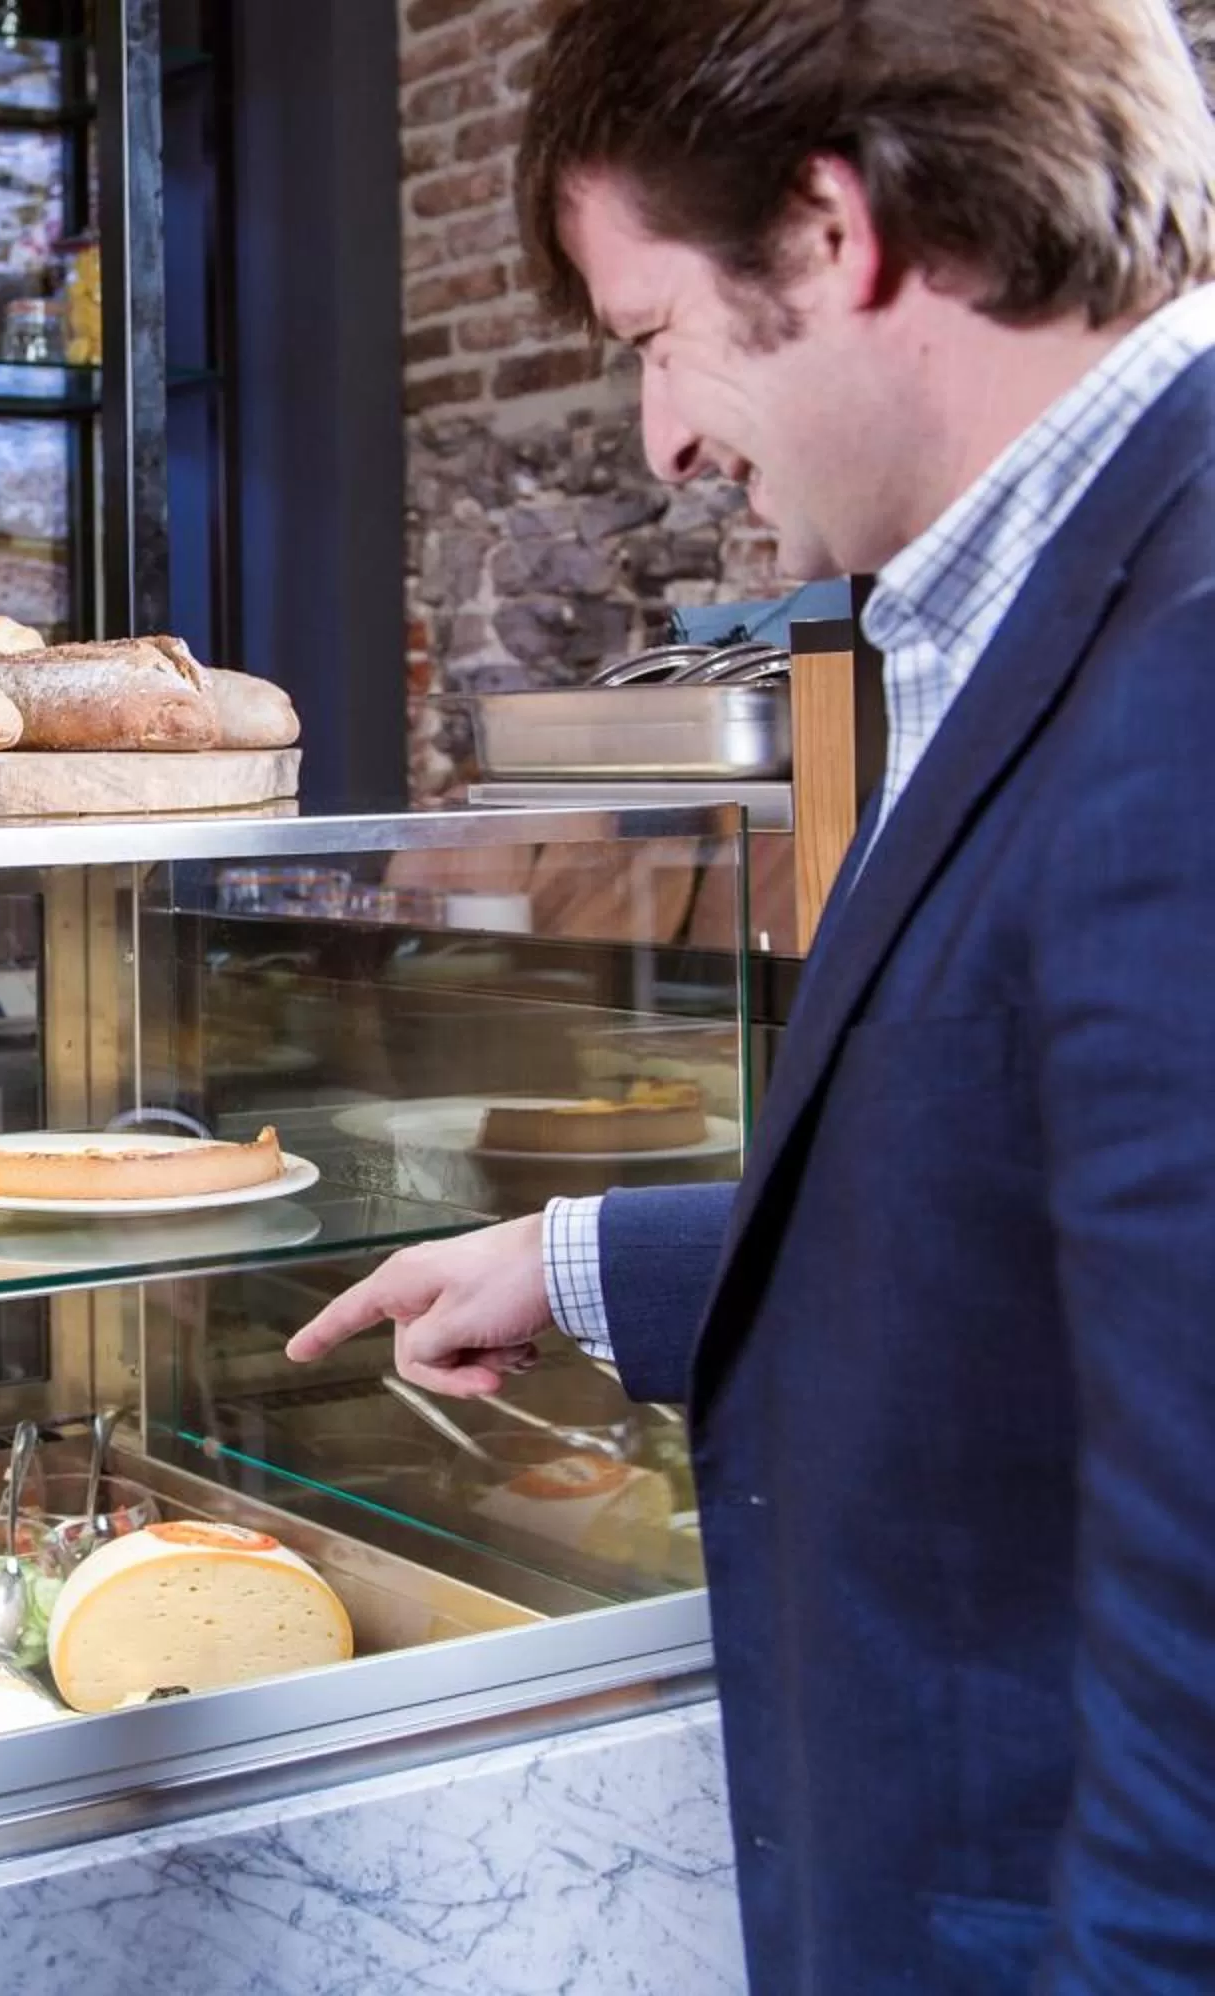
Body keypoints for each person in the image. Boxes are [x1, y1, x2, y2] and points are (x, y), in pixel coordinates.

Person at [288, 1, 1215, 1986]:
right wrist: (588, 1260)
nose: (665, 440)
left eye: (651, 338)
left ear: (833, 228)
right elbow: (1086, 1238)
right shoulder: (1084, 582)